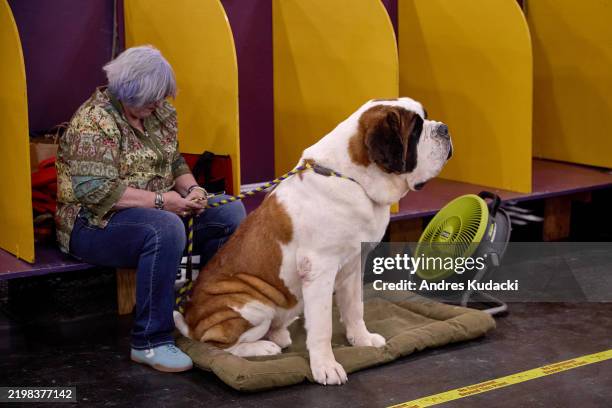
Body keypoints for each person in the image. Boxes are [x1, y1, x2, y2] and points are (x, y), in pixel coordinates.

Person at [55, 45, 246, 372]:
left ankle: (204, 313)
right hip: (93, 224)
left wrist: (192, 189)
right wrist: (162, 202)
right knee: (164, 228)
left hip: (154, 212)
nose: (159, 104)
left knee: (230, 213)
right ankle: (151, 341)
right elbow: (94, 191)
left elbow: (173, 163)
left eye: (162, 96)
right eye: (151, 98)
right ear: (127, 91)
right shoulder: (94, 120)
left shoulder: (160, 113)